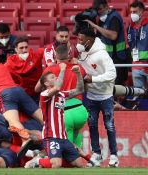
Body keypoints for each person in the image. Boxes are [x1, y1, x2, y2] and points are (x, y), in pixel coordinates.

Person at [25, 63, 84, 168]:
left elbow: (80, 90)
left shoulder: (62, 94)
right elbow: (56, 88)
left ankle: (41, 158)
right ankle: (37, 162)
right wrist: (62, 70)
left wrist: (78, 74)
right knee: (56, 164)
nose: (56, 77)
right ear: (47, 83)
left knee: (79, 164)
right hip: (51, 136)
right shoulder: (44, 94)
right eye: (53, 77)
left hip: (63, 137)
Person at [77, 28, 119, 167]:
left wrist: (93, 79)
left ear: (89, 40)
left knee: (109, 126)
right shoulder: (82, 53)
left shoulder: (102, 54)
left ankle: (114, 156)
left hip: (106, 96)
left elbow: (112, 74)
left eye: (81, 40)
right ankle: (97, 155)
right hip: (91, 96)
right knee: (92, 125)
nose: (79, 42)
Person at [35, 45, 88, 148]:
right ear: (69, 54)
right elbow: (84, 86)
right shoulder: (79, 68)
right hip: (80, 110)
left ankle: (40, 160)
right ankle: (83, 159)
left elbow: (37, 88)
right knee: (77, 135)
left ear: (55, 55)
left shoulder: (50, 69)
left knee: (66, 147)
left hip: (63, 110)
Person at [84, 0, 128, 85]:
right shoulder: (102, 18)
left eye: (100, 9)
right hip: (107, 56)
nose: (98, 12)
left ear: (106, 6)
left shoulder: (114, 17)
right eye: (96, 10)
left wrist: (95, 26)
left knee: (117, 84)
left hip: (117, 57)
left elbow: (113, 36)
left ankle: (120, 98)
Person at [5, 36, 43, 102]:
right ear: (16, 49)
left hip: (38, 92)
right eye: (21, 48)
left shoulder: (36, 55)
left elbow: (49, 50)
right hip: (22, 95)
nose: (24, 50)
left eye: (26, 47)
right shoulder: (10, 62)